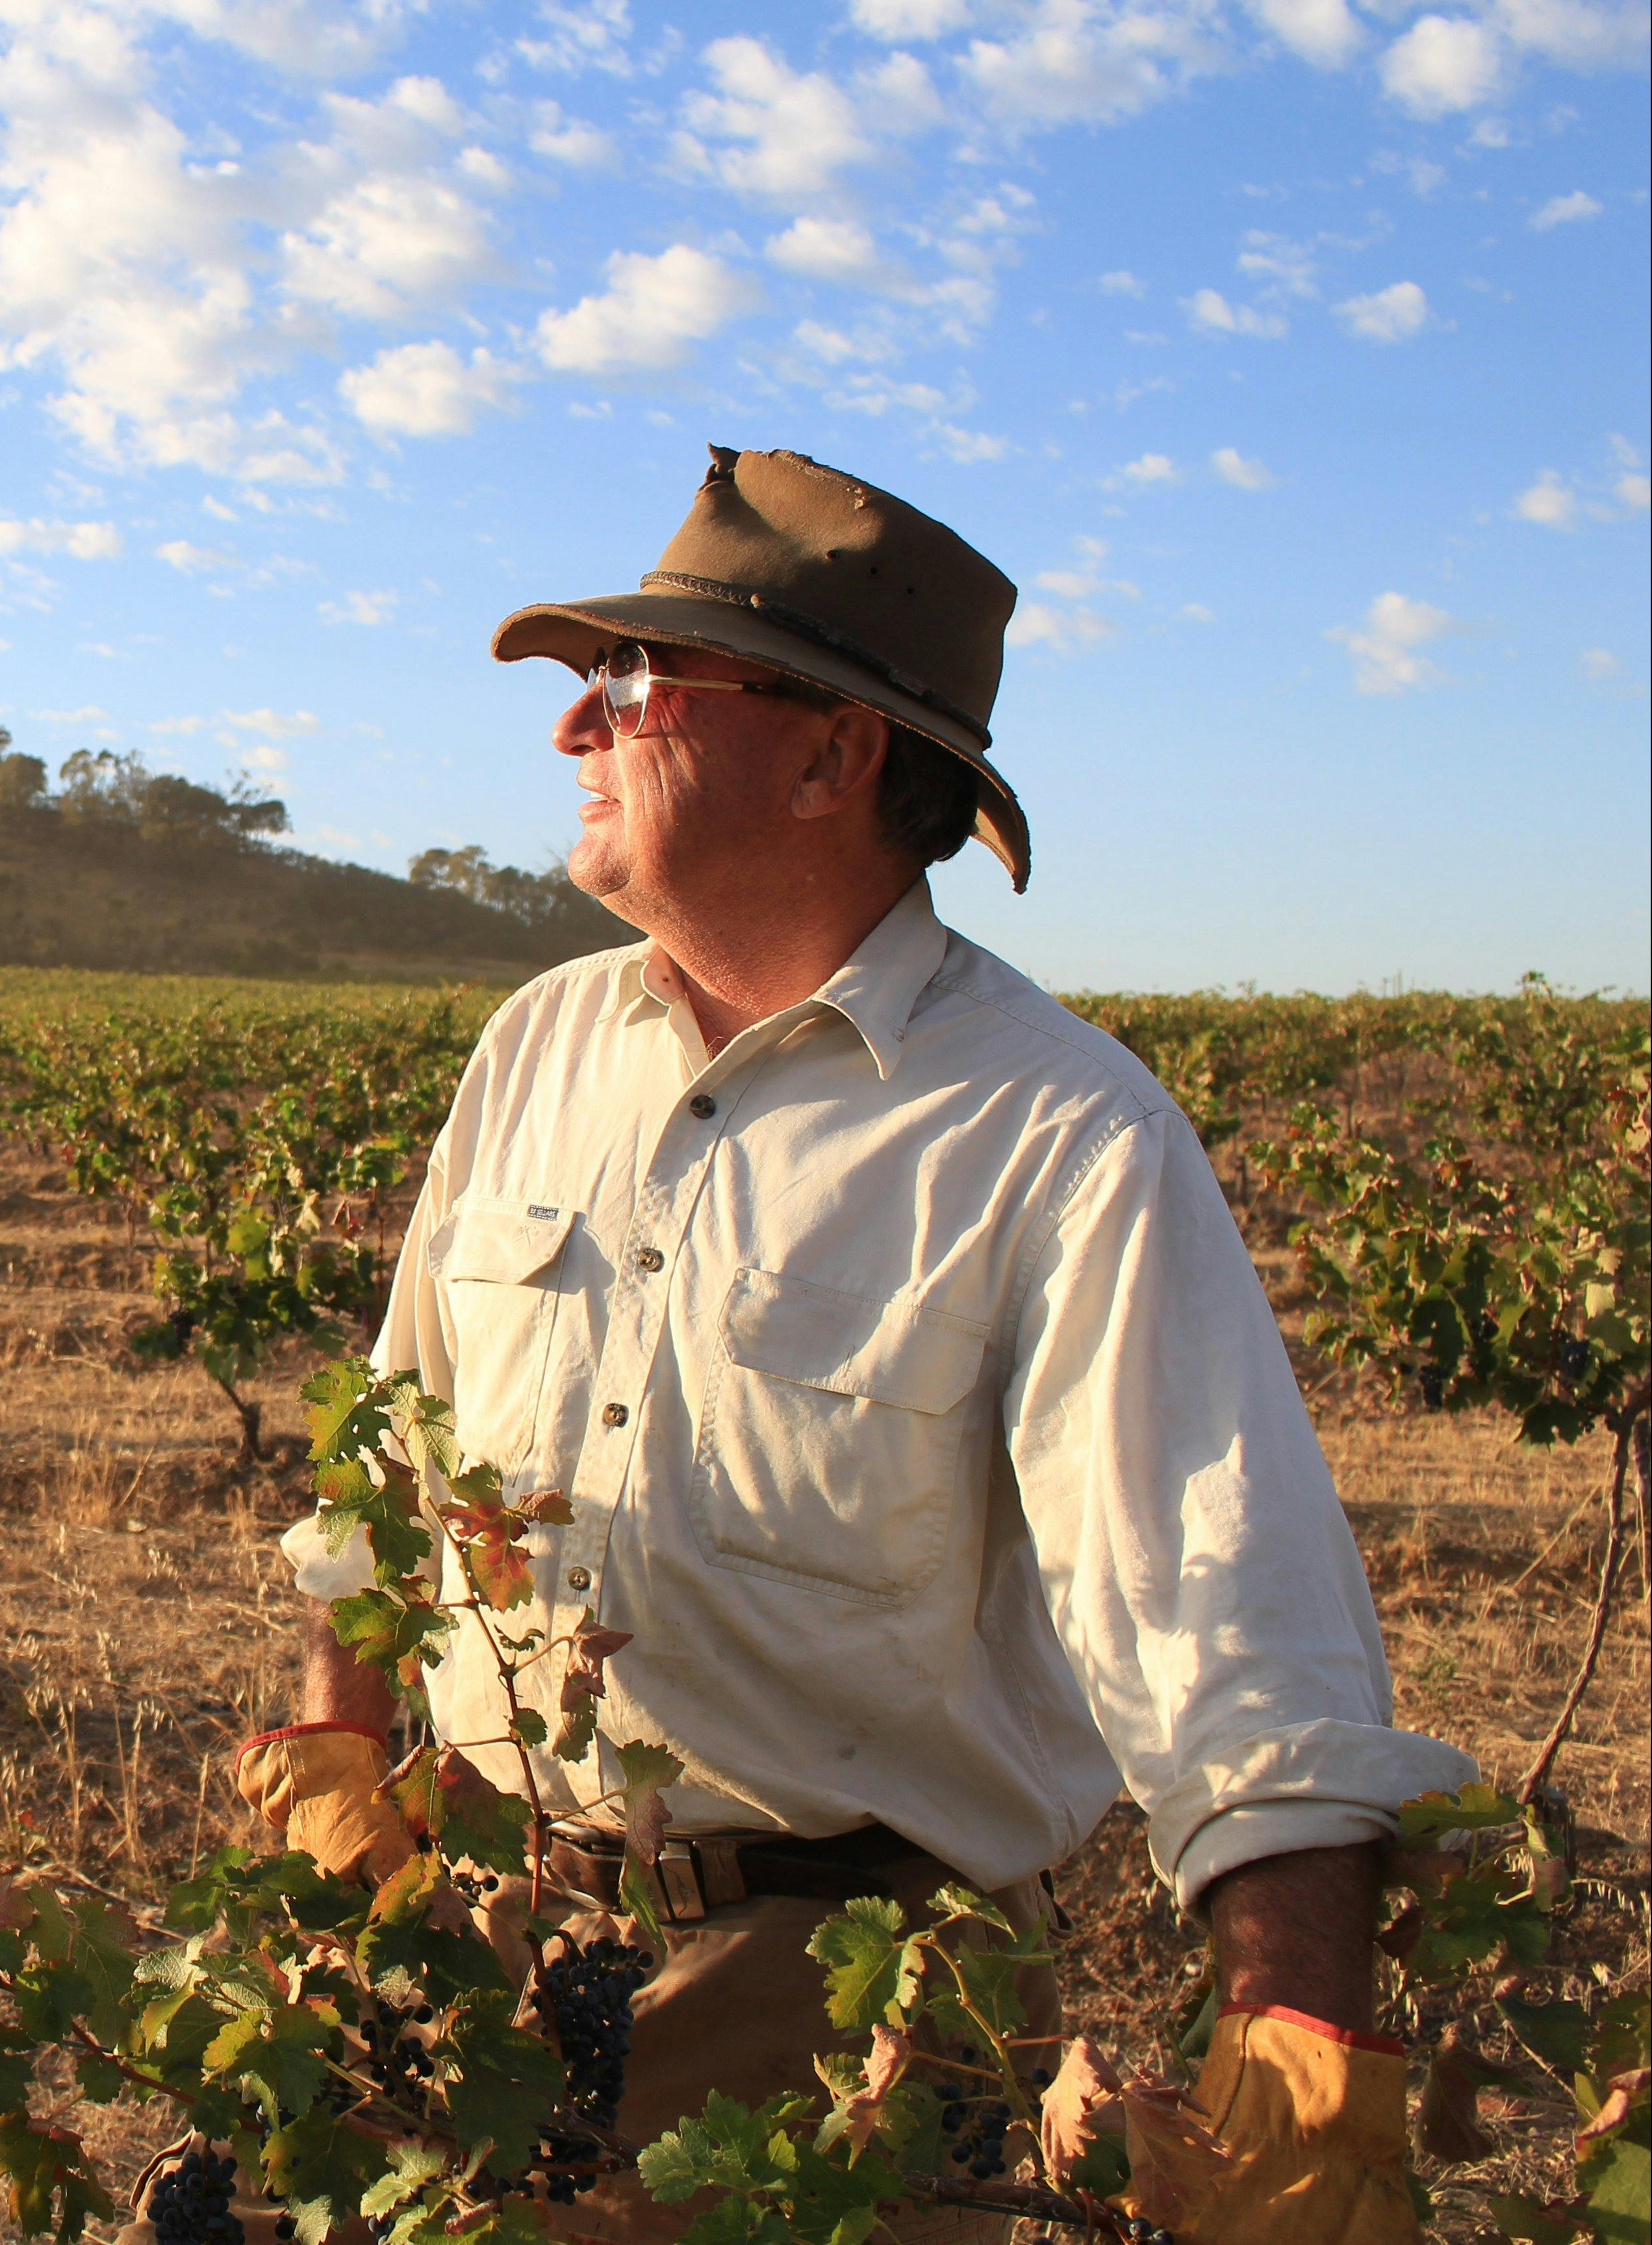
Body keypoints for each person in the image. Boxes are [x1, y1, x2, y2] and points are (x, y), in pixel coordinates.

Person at [229, 446, 1475, 2245]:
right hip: (468, 1951)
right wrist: (341, 1762)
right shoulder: (533, 1049)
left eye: (637, 683)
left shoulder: (1056, 1134)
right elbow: (385, 1478)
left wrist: (1293, 2048)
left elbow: (1231, 1649)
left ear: (830, 754)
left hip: (838, 2027)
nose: (575, 726)